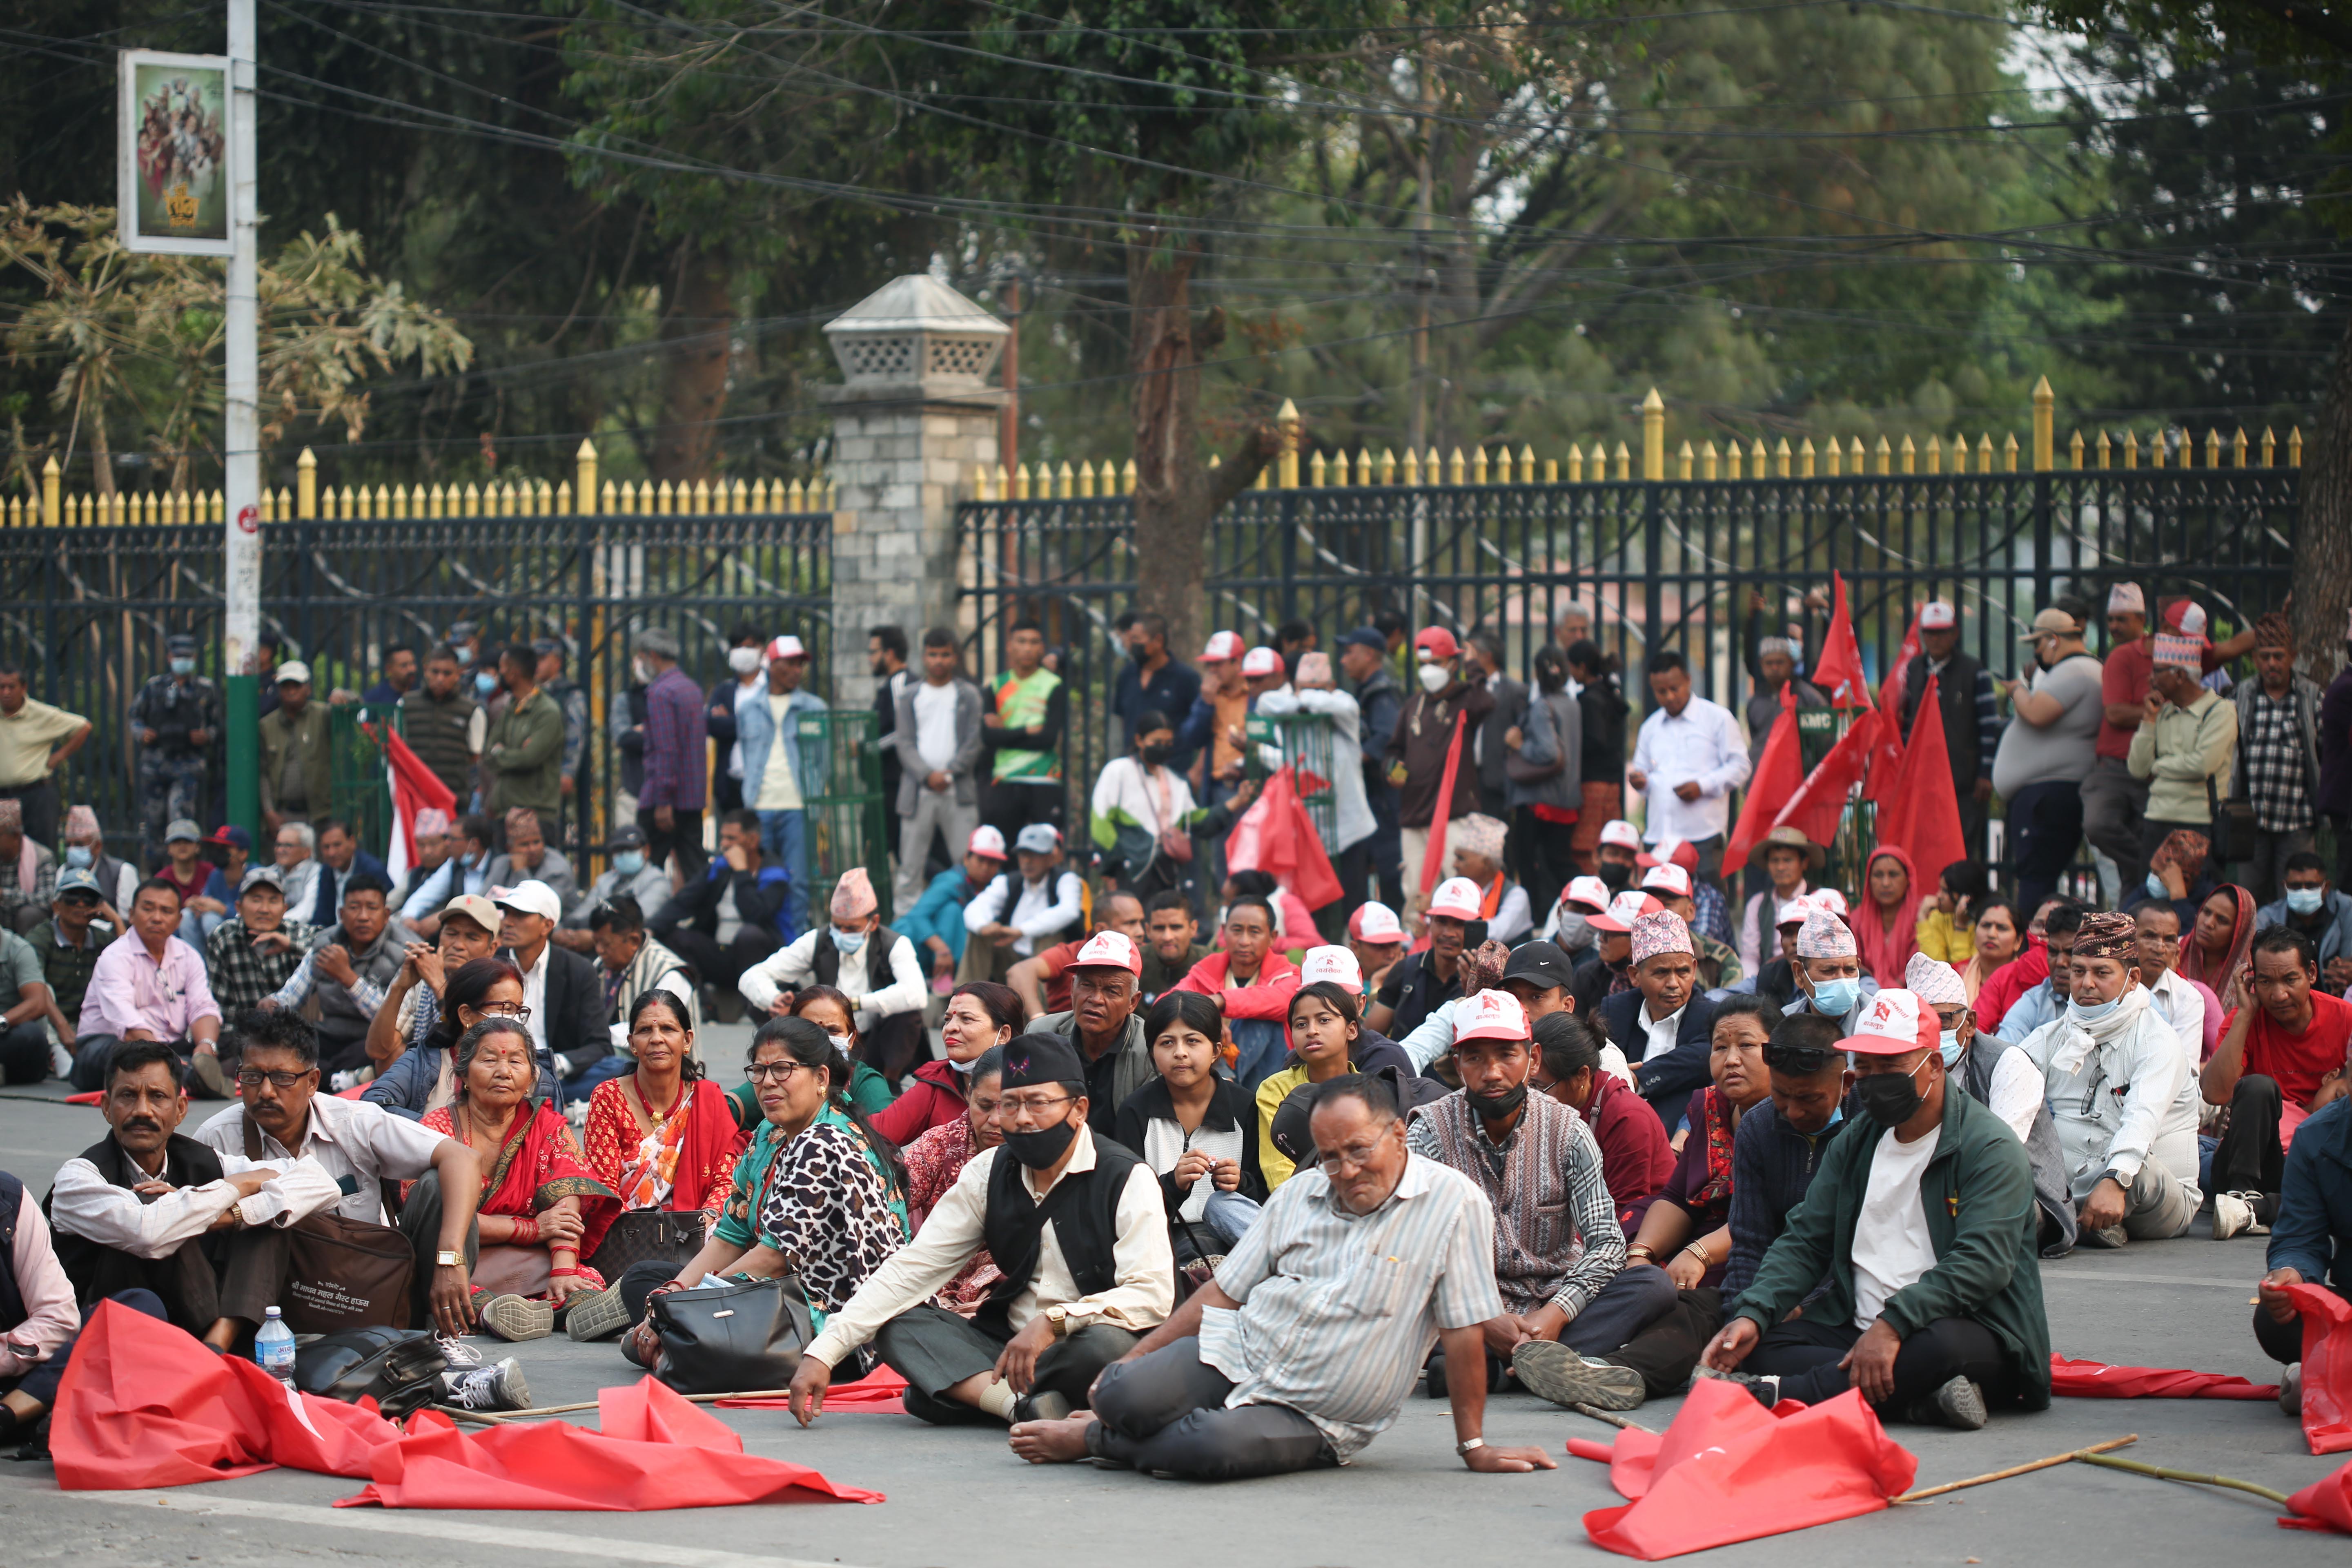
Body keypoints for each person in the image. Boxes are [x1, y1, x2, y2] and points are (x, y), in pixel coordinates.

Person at [998, 1069, 1557, 1480]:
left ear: (1398, 1135)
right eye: (1330, 1157)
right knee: (1120, 1392)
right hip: (1241, 1351)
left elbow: (1462, 1334)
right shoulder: (1301, 1193)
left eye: (1359, 1150)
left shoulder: (1455, 1204)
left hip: (1320, 1411)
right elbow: (1223, 1292)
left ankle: (1095, 1440)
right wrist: (1129, 1362)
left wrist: (1474, 1446)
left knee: (1207, 1448)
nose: (1346, 1171)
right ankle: (1119, 1420)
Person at [1701, 988, 2052, 1429]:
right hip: (1857, 1326)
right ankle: (1916, 1402)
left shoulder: (1989, 1148)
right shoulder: (1859, 1139)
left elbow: (1981, 1264)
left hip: (1963, 1328)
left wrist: (1893, 1326)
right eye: (1865, 1066)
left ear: (1934, 1065)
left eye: (1890, 1066)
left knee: (1940, 1350)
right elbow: (1806, 1239)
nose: (1873, 1078)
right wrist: (1754, 1312)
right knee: (1762, 1343)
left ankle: (1783, 1394)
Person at [783, 1029, 1169, 1430]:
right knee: (897, 1323)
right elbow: (914, 1267)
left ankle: (969, 1392)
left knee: (1107, 1343)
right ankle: (1017, 1405)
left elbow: (1152, 1294)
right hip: (1004, 1348)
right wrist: (823, 1352)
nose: (1021, 1118)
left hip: (1078, 1345)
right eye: (1010, 1104)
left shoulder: (1127, 1178)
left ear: (1079, 1109)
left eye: (1038, 1103)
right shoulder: (988, 1172)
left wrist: (1056, 1321)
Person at [1405, 988, 1675, 1412]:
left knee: (1653, 1287)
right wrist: (1484, 1317)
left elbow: (1607, 1243)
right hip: (1466, 1307)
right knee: (1409, 1307)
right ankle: (1548, 1365)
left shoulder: (1568, 1130)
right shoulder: (1428, 1133)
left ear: (1532, 1060)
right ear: (1457, 1066)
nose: (1492, 1073)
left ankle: (1496, 1370)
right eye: (1475, 1058)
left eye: (1506, 1055)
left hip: (1555, 1301)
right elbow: (1411, 1247)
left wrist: (1556, 1315)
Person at [188, 1010, 483, 1339]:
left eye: (283, 1078)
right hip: (274, 1305)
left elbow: (464, 1159)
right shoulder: (216, 1137)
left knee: (439, 1186)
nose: (267, 1091)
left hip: (372, 1290)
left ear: (313, 1082)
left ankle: (437, 1338)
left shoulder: (354, 1122)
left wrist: (449, 1258)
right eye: (253, 1077)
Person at [45, 1040, 343, 1347]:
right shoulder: (78, 1178)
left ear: (180, 1110)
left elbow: (321, 1183)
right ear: (107, 1107)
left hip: (199, 1324)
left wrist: (231, 1214)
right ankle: (213, 1352)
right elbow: (147, 1232)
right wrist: (237, 1186)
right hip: (109, 1334)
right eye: (128, 1096)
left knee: (269, 1213)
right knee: (164, 1210)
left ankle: (218, 1343)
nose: (143, 1111)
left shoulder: (201, 1159)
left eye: (158, 1097)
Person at [1572, 997, 1788, 1405]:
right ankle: (1553, 1353)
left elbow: (1771, 1219)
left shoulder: (1792, 1116)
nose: (1732, 1059)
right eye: (1720, 1047)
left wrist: (1699, 1253)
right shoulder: (1711, 1107)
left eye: (1746, 1045)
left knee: (1694, 1311)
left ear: (1777, 1051)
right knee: (1623, 1268)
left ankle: (1614, 1372)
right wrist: (1641, 1254)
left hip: (1750, 1259)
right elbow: (1677, 1197)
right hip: (1691, 1252)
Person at [403, 1016, 617, 1341]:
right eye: (489, 1060)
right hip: (453, 1260)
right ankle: (499, 1313)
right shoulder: (437, 1131)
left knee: (580, 1285)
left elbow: (565, 1205)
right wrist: (531, 1229)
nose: (504, 1071)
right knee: (464, 1290)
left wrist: (562, 1272)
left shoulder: (546, 1126)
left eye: (516, 1062)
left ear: (531, 1079)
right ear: (463, 1075)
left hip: (524, 1262)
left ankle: (558, 1307)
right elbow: (434, 1216)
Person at [566, 989, 749, 1339]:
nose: (657, 1039)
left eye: (668, 1029)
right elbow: (603, 1187)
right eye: (645, 1031)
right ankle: (667, 1306)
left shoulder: (708, 1099)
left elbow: (725, 1179)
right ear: (631, 1044)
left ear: (687, 1040)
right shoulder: (608, 1097)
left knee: (731, 1235)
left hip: (692, 1237)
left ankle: (640, 1307)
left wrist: (705, 1222)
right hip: (626, 1235)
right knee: (598, 1276)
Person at [2013, 913, 2202, 1247]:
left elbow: (2142, 1118)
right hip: (2072, 1188)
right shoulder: (2054, 1036)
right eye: (2079, 972)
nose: (2087, 983)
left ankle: (2056, 1220)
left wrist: (2116, 1179)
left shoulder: (2157, 1040)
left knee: (2138, 1170)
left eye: (2101, 973)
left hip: (2153, 1197)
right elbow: (2007, 1081)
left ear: (2133, 979)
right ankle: (2075, 1221)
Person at [2204, 925, 2352, 1238]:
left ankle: (2258, 1210)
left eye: (2290, 980)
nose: (2278, 995)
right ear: (2252, 981)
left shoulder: (2344, 1019)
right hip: (2249, 1164)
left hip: (2319, 1162)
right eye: (2266, 982)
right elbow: (2215, 1093)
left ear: (2311, 974)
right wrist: (2245, 1015)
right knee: (2259, 1087)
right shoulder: (2245, 1018)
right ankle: (2241, 1197)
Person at [738, 866, 928, 1084]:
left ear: (874, 923)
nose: (843, 934)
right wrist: (774, 1000)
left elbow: (916, 993)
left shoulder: (895, 944)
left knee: (907, 1014)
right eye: (838, 927)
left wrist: (852, 1004)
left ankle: (889, 1082)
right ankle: (793, 1072)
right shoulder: (819, 940)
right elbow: (752, 976)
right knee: (760, 1003)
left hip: (875, 1042)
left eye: (852, 928)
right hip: (822, 1041)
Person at [1116, 990, 1267, 1260]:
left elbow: (1265, 1198)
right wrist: (1173, 1184)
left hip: (1236, 1241)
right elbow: (1126, 1204)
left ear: (1216, 1050)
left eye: (1193, 1041)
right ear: (1152, 1053)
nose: (1180, 1053)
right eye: (1167, 1043)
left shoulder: (1245, 1106)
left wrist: (1240, 1183)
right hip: (1159, 1242)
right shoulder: (1136, 1111)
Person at [1990, 606, 2103, 913]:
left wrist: (2017, 690)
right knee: (2038, 879)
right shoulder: (2084, 670)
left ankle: (2033, 940)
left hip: (2047, 796)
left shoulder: (2074, 670)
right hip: (2049, 792)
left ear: (2054, 640)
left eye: (2038, 644)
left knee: (2035, 881)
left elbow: (2037, 713)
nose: (2037, 653)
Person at [1386, 628, 1495, 925]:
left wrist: (1473, 666)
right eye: (1423, 664)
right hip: (1415, 815)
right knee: (1416, 894)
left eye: (1436, 663)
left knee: (1458, 889)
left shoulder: (1466, 700)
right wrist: (1393, 770)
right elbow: (1394, 750)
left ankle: (1464, 945)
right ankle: (1416, 946)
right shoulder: (1413, 706)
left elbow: (1486, 703)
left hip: (1453, 815)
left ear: (1453, 664)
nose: (1428, 671)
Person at [78, 879, 223, 1096]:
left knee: (228, 1042)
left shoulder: (189, 956)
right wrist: (167, 1058)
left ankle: (192, 1073)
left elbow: (202, 1006)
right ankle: (192, 1077)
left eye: (166, 911)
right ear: (132, 914)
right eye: (148, 909)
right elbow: (129, 1024)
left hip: (169, 1045)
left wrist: (206, 1047)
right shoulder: (115, 956)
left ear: (179, 920)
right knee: (128, 1055)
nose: (157, 918)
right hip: (111, 1043)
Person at [361, 898, 516, 1101]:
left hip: (480, 1087)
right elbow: (377, 1050)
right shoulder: (423, 974)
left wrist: (439, 985)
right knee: (392, 1056)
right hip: (429, 1077)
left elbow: (478, 1047)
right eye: (451, 933)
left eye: (472, 937)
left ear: (492, 948)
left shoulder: (500, 984)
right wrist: (400, 987)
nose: (458, 945)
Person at [2254, 1093, 2352, 1411]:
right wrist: (2292, 1273)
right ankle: (2334, 1374)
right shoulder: (2316, 1136)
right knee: (2277, 1318)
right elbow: (2300, 1238)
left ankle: (2330, 1376)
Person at [1090, 710, 1250, 904]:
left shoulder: (1176, 782)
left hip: (1167, 873)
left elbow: (1199, 822)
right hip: (1131, 872)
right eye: (1157, 742)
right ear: (1139, 740)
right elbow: (1100, 822)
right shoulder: (1119, 771)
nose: (1163, 748)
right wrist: (1117, 863)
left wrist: (1238, 801)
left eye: (1168, 743)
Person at [1530, 1009, 1672, 1225]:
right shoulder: (1557, 1105)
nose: (1531, 1098)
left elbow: (1626, 1211)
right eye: (1528, 1085)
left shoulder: (1628, 1118)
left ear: (1582, 1075)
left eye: (1540, 1087)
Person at [1626, 650, 1749, 896]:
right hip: (1659, 837)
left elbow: (1741, 766)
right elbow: (1644, 774)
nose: (1669, 697)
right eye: (1661, 691)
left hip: (1701, 836)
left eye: (1675, 688)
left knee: (1707, 903)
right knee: (1659, 905)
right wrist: (1640, 782)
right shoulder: (1651, 727)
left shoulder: (1717, 719)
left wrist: (1703, 786)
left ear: (1688, 681)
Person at [899, 1044, 1008, 1316]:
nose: (995, 1120)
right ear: (969, 1094)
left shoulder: (1039, 1158)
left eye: (1008, 1107)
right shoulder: (939, 1144)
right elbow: (892, 1205)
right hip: (936, 1275)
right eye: (984, 1106)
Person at [264, 872, 404, 1080]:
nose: (363, 916)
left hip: (370, 1041)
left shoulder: (403, 951)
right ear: (342, 914)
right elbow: (292, 994)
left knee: (390, 1052)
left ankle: (327, 1078)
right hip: (328, 1035)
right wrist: (273, 1004)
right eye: (354, 908)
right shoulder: (325, 944)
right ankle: (340, 1079)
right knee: (291, 1045)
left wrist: (349, 978)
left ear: (386, 915)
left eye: (372, 908)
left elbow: (395, 1020)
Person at [1260, 654, 1376, 906]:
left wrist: (1304, 698)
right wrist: (1302, 701)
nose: (1311, 696)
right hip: (1308, 832)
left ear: (1332, 687)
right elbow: (1264, 704)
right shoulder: (1286, 705)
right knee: (1313, 909)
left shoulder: (1344, 705)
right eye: (1304, 689)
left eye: (1319, 689)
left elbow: (1340, 706)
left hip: (1350, 828)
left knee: (1352, 907)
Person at [1022, 930, 1156, 1141]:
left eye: (1112, 990)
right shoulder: (1040, 1035)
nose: (1096, 999)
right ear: (1072, 988)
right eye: (1087, 985)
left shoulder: (1151, 1051)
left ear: (1133, 1002)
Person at [650, 809, 792, 1003]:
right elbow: (684, 900)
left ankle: (755, 1007)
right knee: (675, 937)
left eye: (731, 839)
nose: (724, 844)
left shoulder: (775, 875)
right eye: (723, 838)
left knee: (749, 935)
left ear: (753, 841)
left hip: (763, 960)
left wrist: (742, 872)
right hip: (722, 953)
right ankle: (702, 1005)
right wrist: (651, 928)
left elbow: (756, 915)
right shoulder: (720, 867)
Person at [2128, 622, 2238, 872]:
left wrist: (2158, 766)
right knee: (2152, 895)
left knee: (2197, 895)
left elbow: (2202, 765)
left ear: (2179, 676)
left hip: (2198, 824)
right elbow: (2137, 768)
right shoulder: (2161, 712)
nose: (2151, 679)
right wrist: (2148, 720)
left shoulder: (2220, 711)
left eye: (2158, 672)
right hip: (2156, 820)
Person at [1597, 911, 1722, 1126]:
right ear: (1635, 975)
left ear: (1694, 971)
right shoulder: (1617, 1010)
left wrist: (1638, 1077)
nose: (1673, 983)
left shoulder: (1713, 1016)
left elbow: (1703, 1058)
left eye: (1683, 972)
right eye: (1661, 973)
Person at [737, 634, 827, 933]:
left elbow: (823, 761)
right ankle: (764, 943)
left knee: (799, 880)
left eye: (800, 664)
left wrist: (814, 796)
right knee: (760, 878)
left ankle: (796, 945)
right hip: (759, 806)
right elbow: (748, 756)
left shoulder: (814, 707)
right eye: (789, 664)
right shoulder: (749, 708)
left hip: (797, 807)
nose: (796, 671)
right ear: (772, 665)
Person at [890, 628, 984, 912]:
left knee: (968, 863)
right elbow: (904, 743)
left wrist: (950, 773)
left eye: (945, 655)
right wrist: (927, 775)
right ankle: (905, 924)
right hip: (918, 791)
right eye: (933, 655)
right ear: (924, 657)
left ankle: (970, 920)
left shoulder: (969, 695)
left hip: (959, 791)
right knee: (910, 865)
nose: (939, 661)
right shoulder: (910, 696)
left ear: (955, 658)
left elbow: (974, 742)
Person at [1256, 982, 1384, 1190]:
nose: (1312, 1031)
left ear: (1352, 1030)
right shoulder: (1276, 1089)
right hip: (1297, 1200)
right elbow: (1279, 1169)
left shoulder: (1372, 1093)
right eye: (1301, 1025)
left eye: (1324, 1020)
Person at [2234, 612, 2323, 904]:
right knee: (2250, 900)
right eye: (2265, 657)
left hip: (2296, 820)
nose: (2272, 664)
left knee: (2295, 898)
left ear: (2292, 657)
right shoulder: (2243, 695)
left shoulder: (2310, 697)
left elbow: (2323, 751)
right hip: (2251, 821)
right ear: (2256, 660)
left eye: (2279, 656)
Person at [1173, 892, 1302, 1092]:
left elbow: (1285, 1001)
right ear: (1223, 932)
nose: (1244, 941)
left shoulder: (1288, 974)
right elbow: (1167, 1003)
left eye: (1255, 932)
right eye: (1237, 930)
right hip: (1212, 1068)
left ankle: (1226, 1089)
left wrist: (1218, 1001)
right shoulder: (1205, 972)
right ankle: (1226, 1087)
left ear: (1272, 937)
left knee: (1263, 1015)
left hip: (1271, 1074)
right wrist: (1207, 1015)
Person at [492, 879, 608, 1097]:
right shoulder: (491, 967)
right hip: (499, 1074)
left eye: (520, 915)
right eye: (506, 914)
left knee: (616, 1069)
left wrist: (555, 1065)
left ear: (547, 926)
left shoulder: (578, 970)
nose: (507, 922)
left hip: (556, 1076)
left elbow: (599, 1045)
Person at [871, 980, 1020, 1147]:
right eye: (948, 1019)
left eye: (967, 1019)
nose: (950, 1028)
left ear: (1003, 1034)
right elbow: (875, 1135)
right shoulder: (939, 1081)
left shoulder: (1034, 1085)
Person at [2082, 583, 2158, 894]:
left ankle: (2145, 888)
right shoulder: (2120, 656)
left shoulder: (2161, 655)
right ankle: (2155, 874)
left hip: (2152, 768)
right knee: (2098, 824)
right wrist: (2155, 712)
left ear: (2142, 619)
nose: (2114, 626)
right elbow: (2114, 714)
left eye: (2121, 620)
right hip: (2114, 766)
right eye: (2111, 620)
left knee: (2136, 861)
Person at [131, 633, 220, 864]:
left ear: (195, 658)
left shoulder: (205, 689)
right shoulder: (154, 687)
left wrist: (206, 736)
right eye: (179, 656)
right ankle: (157, 871)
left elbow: (217, 726)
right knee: (154, 822)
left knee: (181, 821)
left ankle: (182, 869)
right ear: (170, 657)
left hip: (188, 765)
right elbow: (135, 718)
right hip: (155, 764)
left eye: (187, 657)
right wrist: (142, 733)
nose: (183, 661)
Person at [959, 822, 1084, 984]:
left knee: (1048, 938)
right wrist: (984, 927)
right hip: (1011, 958)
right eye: (1023, 854)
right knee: (980, 935)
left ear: (1050, 858)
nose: (1027, 861)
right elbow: (976, 908)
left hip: (1049, 968)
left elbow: (1069, 910)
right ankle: (967, 993)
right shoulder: (1009, 881)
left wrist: (1021, 931)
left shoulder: (1066, 879)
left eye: (1035, 855)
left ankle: (1041, 1001)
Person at [980, 618, 1069, 843]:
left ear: (1042, 648)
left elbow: (1048, 739)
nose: (1028, 648)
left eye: (1034, 642)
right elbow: (989, 737)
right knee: (1005, 851)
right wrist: (1028, 730)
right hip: (1006, 779)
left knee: (1048, 849)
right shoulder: (996, 686)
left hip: (1044, 779)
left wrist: (1006, 734)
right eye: (1021, 641)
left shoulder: (1053, 685)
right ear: (1009, 646)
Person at [1337, 626, 1406, 909]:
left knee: (1390, 876)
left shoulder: (1382, 694)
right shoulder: (1365, 691)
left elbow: (1386, 736)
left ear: (1369, 655)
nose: (1343, 660)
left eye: (1349, 652)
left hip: (1384, 803)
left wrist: (1351, 760)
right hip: (1373, 802)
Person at [633, 626, 709, 882]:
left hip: (665, 801)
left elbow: (666, 750)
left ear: (653, 656)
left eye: (641, 657)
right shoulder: (691, 688)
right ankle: (708, 909)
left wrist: (663, 800)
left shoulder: (661, 692)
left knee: (643, 870)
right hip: (691, 798)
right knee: (695, 868)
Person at [1365, 875, 1480, 1039]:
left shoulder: (1486, 980)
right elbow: (1368, 1040)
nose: (1448, 933)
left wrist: (1476, 992)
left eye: (1459, 924)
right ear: (1430, 923)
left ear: (1477, 927)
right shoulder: (1405, 970)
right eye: (1441, 922)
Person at [900, 826, 1008, 992]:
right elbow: (917, 916)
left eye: (992, 862)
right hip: (916, 947)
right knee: (952, 910)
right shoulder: (952, 880)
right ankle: (944, 979)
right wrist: (942, 951)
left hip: (949, 954)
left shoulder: (999, 885)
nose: (986, 868)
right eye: (981, 860)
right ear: (967, 859)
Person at [1009, 891, 1147, 1019]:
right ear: (1101, 929)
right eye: (1130, 923)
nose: (1141, 932)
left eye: (1141, 922)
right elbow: (1020, 971)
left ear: (1134, 1001)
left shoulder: (1148, 954)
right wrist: (1039, 1019)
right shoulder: (1072, 954)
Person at [0, 663, 90, 851]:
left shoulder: (40, 714)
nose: (6, 692)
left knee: (40, 850)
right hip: (3, 796)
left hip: (35, 794)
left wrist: (59, 756)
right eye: (2, 687)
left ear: (23, 688)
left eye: (11, 687)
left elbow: (83, 726)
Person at [586, 893, 698, 1042]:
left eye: (606, 944)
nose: (599, 950)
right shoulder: (600, 966)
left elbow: (653, 1030)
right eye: (596, 942)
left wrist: (596, 1034)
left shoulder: (670, 973)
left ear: (634, 941)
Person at [482, 643, 564, 844]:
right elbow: (487, 755)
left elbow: (529, 759)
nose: (500, 673)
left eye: (503, 667)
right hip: (504, 813)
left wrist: (501, 753)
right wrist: (512, 753)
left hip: (535, 815)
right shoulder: (511, 708)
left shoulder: (547, 711)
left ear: (514, 673)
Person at [37, 870, 108, 1087]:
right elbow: (35, 987)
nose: (81, 904)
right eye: (72, 898)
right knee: (42, 989)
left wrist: (114, 918)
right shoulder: (42, 937)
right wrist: (63, 1028)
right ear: (57, 906)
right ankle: (55, 1050)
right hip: (51, 1022)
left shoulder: (103, 939)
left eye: (89, 899)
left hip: (86, 1023)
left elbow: (132, 962)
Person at [557, 823, 672, 951]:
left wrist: (595, 937)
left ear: (647, 851)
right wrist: (566, 933)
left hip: (637, 948)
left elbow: (636, 919)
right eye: (619, 850)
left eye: (630, 850)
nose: (624, 855)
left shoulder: (658, 880)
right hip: (596, 942)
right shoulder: (605, 880)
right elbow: (583, 913)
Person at [2258, 851, 2352, 996]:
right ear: (2285, 886)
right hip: (2284, 998)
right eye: (2295, 886)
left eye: (2311, 886)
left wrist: (2345, 972)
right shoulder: (2267, 918)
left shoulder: (2347, 909)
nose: (2303, 891)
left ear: (2326, 886)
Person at [399, 647, 485, 806]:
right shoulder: (405, 704)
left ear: (458, 674)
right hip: (415, 797)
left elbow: (475, 756)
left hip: (454, 800)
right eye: (435, 672)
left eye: (447, 673)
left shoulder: (472, 710)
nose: (440, 679)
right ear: (426, 671)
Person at [256, 661, 331, 839]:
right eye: (286, 686)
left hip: (320, 813)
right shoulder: (267, 726)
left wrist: (343, 697)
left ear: (308, 689)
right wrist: (269, 811)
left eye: (297, 685)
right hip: (284, 814)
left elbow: (351, 711)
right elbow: (262, 772)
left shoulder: (323, 715)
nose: (291, 691)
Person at [1113, 612, 1202, 760]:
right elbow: (1123, 720)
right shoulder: (1126, 675)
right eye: (1130, 638)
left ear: (1158, 641)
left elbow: (1202, 727)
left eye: (1137, 639)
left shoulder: (1186, 678)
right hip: (1133, 766)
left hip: (1173, 767)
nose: (1131, 644)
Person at [1642, 862, 1742, 991]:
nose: (1657, 911)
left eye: (1667, 904)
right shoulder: (1630, 954)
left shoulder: (1721, 958)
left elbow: (1732, 1001)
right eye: (1650, 903)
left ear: (1691, 911)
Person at [1744, 619, 1825, 775]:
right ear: (1761, 665)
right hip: (1761, 779)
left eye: (1780, 662)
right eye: (1769, 663)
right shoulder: (1755, 702)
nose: (1775, 667)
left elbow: (1822, 744)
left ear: (1792, 663)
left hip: (1798, 780)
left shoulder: (1810, 698)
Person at [1736, 826, 1820, 976]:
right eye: (1775, 861)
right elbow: (1750, 956)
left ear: (1804, 863)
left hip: (1811, 976)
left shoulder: (1819, 900)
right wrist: (1755, 984)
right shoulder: (1757, 904)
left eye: (1788, 860)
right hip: (1770, 978)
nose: (1780, 867)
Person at [1444, 813, 1530, 945]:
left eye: (1461, 858)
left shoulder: (1516, 895)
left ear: (1486, 863)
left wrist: (1445, 927)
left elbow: (1496, 933)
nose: (1455, 865)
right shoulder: (1456, 892)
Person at [480, 808, 580, 921]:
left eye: (537, 842)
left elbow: (539, 910)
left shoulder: (558, 869)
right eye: (525, 845)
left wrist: (521, 871)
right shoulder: (501, 864)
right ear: (510, 849)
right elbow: (482, 900)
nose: (532, 849)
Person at [709, 624, 767, 817]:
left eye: (749, 647)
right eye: (738, 647)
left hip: (766, 783)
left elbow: (772, 727)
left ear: (762, 649)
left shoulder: (772, 689)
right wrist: (754, 725)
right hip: (731, 784)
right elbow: (712, 726)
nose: (743, 652)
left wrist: (731, 721)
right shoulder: (724, 691)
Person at [1853, 846, 1924, 989]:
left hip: (1915, 994)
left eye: (1893, 875)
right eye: (1878, 875)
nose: (1886, 883)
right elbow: (1853, 966)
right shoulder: (1856, 921)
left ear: (1908, 879)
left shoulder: (1922, 918)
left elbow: (1922, 965)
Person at [156, 820, 227, 943]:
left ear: (198, 847)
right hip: (176, 940)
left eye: (188, 842)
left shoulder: (212, 872)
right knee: (186, 917)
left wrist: (206, 905)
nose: (182, 846)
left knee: (210, 919)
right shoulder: (161, 880)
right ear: (169, 848)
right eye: (177, 842)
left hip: (212, 930)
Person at [60, 806, 137, 915]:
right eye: (68, 845)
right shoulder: (63, 871)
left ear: (98, 846)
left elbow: (130, 920)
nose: (72, 849)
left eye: (79, 844)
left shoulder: (122, 872)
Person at [0, 800, 60, 936]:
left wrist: (4, 895)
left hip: (27, 924)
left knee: (29, 914)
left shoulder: (42, 857)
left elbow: (48, 899)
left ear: (16, 836)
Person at [1916, 858, 1987, 968]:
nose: (1938, 896)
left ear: (1967, 897)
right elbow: (1935, 967)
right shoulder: (1939, 917)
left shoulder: (1985, 923)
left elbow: (1965, 971)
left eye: (1945, 891)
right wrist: (1922, 919)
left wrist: (1961, 927)